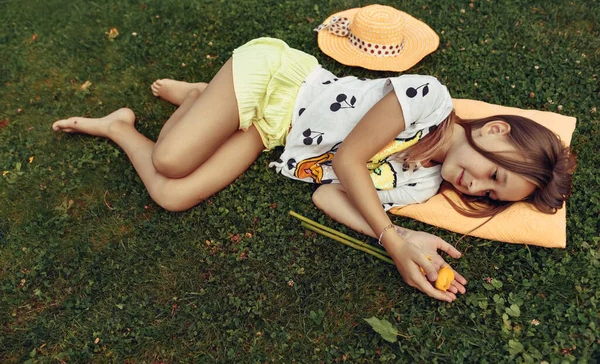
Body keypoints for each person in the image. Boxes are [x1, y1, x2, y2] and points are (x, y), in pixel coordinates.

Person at [52, 36, 575, 303]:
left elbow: (326, 196)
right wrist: (391, 238)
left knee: (172, 195)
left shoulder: (422, 183)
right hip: (279, 81)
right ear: (496, 131)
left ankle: (121, 126)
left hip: (270, 134)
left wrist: (406, 233)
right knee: (169, 159)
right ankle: (205, 95)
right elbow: (347, 160)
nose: (475, 185)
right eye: (495, 174)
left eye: (490, 195)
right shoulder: (428, 101)